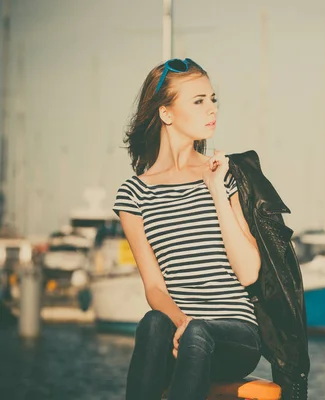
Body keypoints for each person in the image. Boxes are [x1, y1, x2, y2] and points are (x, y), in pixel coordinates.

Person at [113, 58, 309, 400]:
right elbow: (155, 287)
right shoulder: (134, 193)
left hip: (234, 334)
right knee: (152, 323)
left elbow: (248, 272)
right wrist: (180, 322)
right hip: (181, 330)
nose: (212, 109)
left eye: (213, 99)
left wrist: (217, 189)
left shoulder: (225, 173)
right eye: (199, 100)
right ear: (167, 113)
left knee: (199, 333)